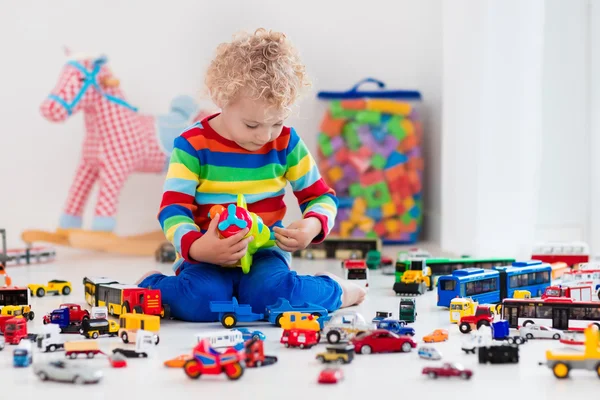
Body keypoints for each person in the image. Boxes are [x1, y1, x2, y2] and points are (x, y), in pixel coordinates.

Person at [136, 28, 366, 322]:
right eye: (252, 125)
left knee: (270, 299)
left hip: (265, 251)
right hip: (207, 255)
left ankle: (336, 290)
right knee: (202, 303)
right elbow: (173, 209)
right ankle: (152, 284)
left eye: (276, 123)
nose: (265, 136)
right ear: (222, 100)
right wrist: (197, 246)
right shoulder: (192, 145)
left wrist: (311, 226)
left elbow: (320, 197)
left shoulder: (286, 142)